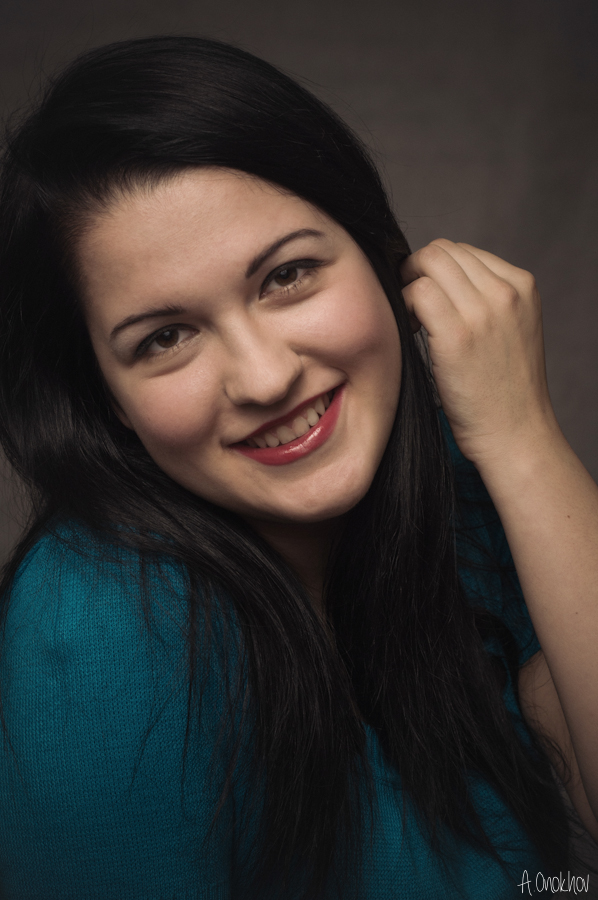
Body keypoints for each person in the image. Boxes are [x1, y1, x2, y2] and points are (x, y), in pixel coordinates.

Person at [0, 34, 596, 900]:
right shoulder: (96, 633)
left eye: (286, 276)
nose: (265, 378)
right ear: (105, 399)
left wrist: (524, 442)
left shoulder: (457, 486)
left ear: (379, 252)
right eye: (166, 338)